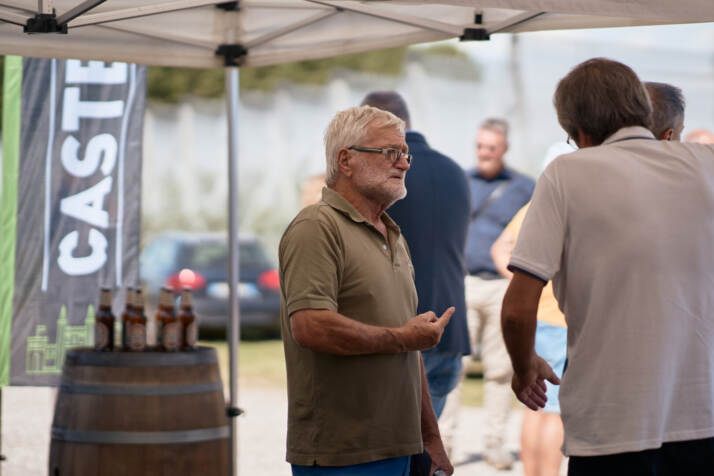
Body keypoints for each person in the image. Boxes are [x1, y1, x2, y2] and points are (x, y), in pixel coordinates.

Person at [501, 57, 714, 476]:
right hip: (701, 416)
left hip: (609, 421)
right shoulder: (705, 163)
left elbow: (517, 308)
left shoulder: (566, 174)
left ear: (580, 131)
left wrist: (524, 367)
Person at [279, 105, 455, 476]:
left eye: (405, 154)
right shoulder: (316, 226)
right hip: (343, 455)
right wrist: (404, 337)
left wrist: (431, 438)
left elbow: (409, 348)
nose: (404, 163)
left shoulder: (393, 235)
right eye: (390, 152)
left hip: (400, 449)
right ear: (346, 160)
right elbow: (310, 326)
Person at [360, 91, 471, 454]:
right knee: (424, 452)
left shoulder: (383, 172)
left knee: (393, 456)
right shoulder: (455, 170)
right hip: (449, 325)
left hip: (400, 330)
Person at [460, 117, 534, 470]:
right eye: (480, 146)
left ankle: (494, 445)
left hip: (503, 286)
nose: (484, 153)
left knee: (501, 370)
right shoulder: (460, 181)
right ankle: (444, 443)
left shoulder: (524, 188)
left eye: (491, 147)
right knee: (453, 367)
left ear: (504, 148)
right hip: (463, 283)